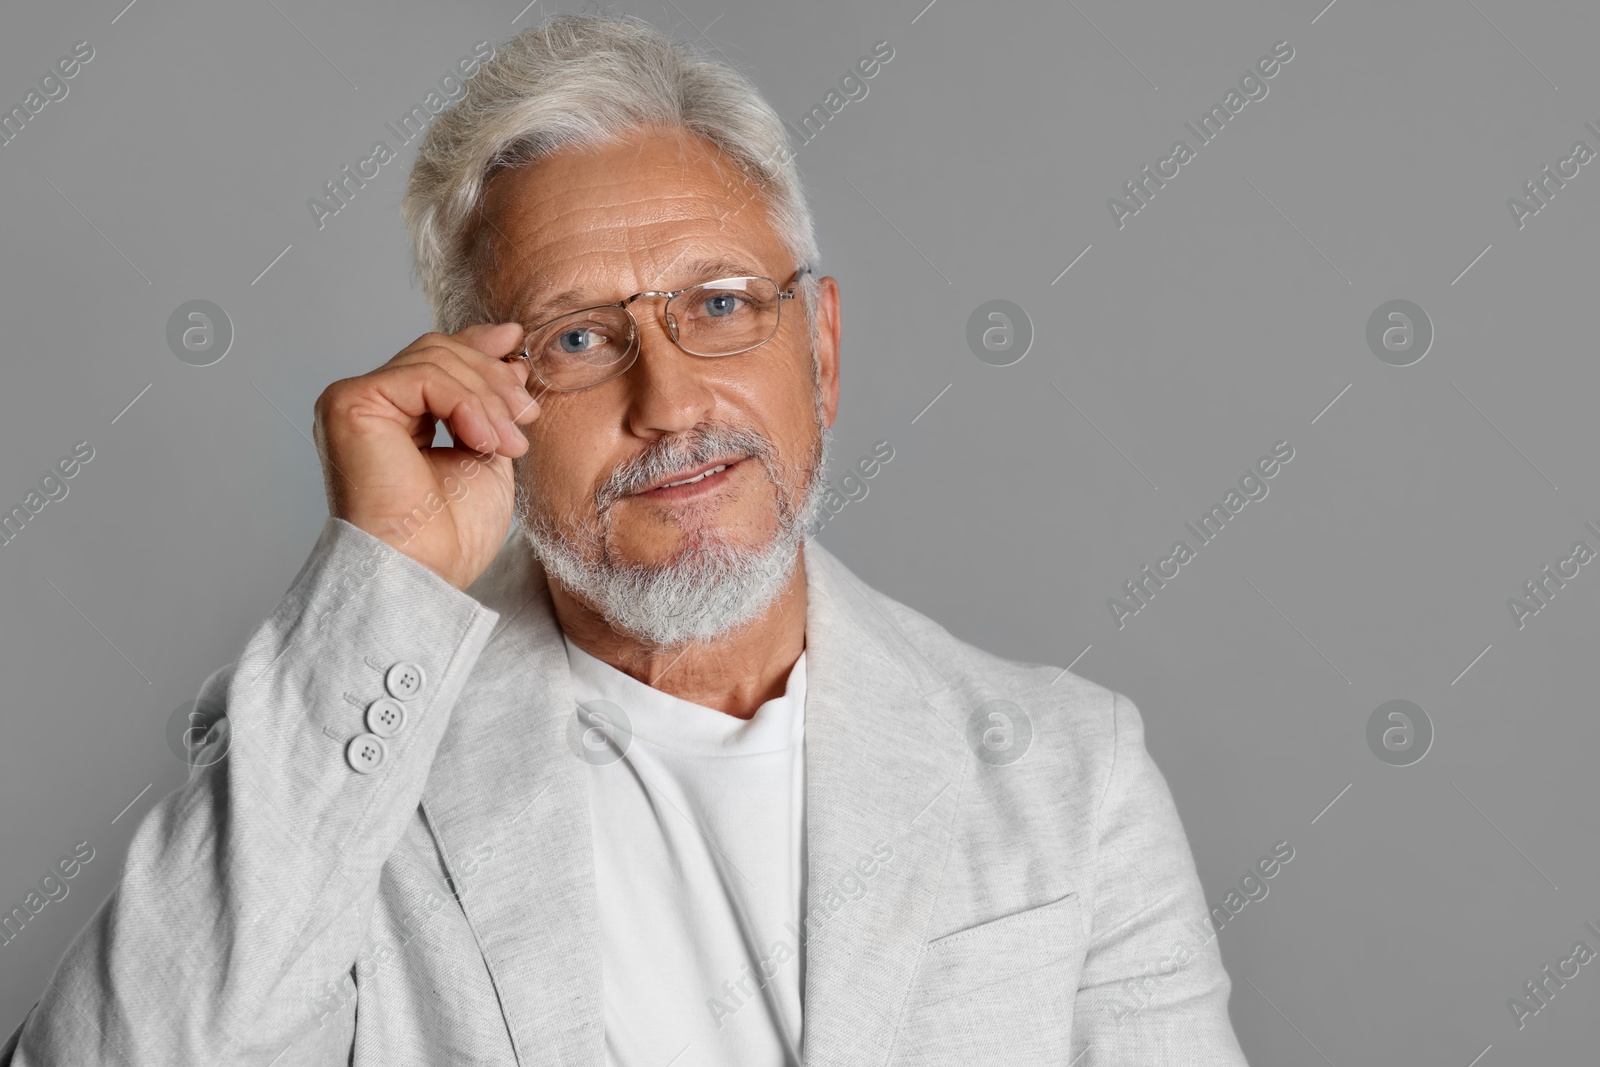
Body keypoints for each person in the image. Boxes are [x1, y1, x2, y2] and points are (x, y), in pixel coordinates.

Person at [2, 14, 1250, 1066]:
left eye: (718, 305)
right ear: (487, 393)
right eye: (582, 338)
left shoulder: (1068, 774)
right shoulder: (344, 762)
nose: (669, 402)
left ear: (818, 347)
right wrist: (384, 573)